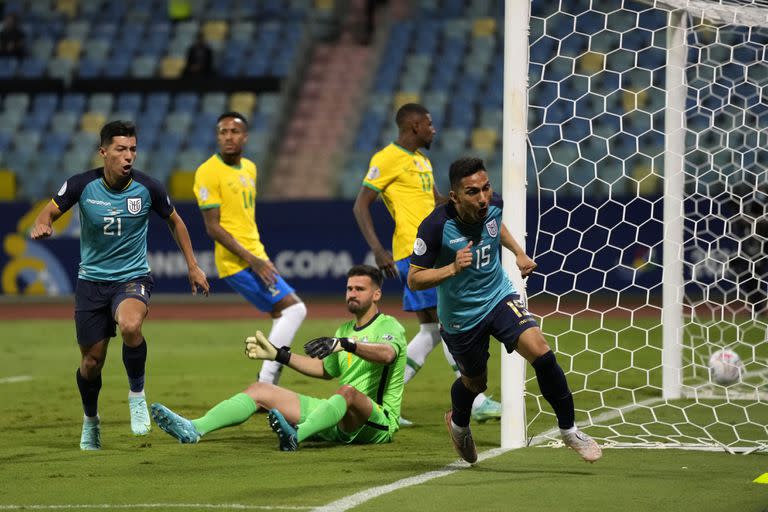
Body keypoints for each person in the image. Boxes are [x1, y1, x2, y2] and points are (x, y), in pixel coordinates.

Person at [408, 157, 602, 464]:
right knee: (475, 383)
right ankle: (458, 424)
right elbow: (415, 279)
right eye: (473, 192)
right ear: (455, 196)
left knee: (541, 350)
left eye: (486, 188)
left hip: (498, 297)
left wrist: (519, 254)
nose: (483, 197)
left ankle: (569, 430)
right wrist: (451, 268)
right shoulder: (435, 227)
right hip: (461, 317)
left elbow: (496, 226)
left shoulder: (493, 205)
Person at [30, 120, 210, 450]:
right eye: (121, 149)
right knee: (91, 363)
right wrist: (42, 224)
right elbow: (48, 213)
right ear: (103, 152)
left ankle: (137, 395)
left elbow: (176, 221)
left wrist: (193, 266)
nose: (128, 156)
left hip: (132, 278)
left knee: (130, 325)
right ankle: (90, 421)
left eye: (133, 150)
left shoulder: (148, 187)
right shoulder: (81, 185)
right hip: (91, 283)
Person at [150, 264, 407, 450]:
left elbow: (387, 354)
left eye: (360, 289)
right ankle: (195, 428)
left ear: (376, 295)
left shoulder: (388, 326)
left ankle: (297, 435)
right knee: (261, 389)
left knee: (348, 392)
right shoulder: (345, 329)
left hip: (377, 422)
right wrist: (279, 355)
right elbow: (324, 370)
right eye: (349, 288)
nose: (352, 293)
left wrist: (347, 344)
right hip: (337, 416)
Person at [353, 103, 501, 424]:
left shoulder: (421, 159)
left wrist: (475, 203)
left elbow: (437, 202)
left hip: (435, 247)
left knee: (431, 330)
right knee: (448, 324)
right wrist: (379, 250)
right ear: (414, 126)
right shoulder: (386, 159)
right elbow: (361, 205)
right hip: (414, 250)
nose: (434, 130)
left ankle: (377, 401)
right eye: (430, 124)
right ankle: (475, 402)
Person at [193, 112, 306, 386]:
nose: (228, 136)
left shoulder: (250, 169)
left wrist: (259, 256)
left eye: (234, 131)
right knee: (295, 310)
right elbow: (213, 227)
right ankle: (265, 383)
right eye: (223, 132)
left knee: (281, 315)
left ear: (245, 137)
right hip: (238, 262)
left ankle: (268, 382)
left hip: (256, 254)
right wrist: (253, 260)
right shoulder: (207, 172)